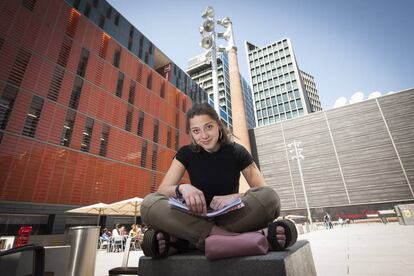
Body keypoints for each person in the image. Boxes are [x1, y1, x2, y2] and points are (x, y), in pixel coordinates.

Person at [140, 103, 297, 258]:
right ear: (192, 134)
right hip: (194, 217)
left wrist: (236, 196)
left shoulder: (237, 151)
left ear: (218, 126)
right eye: (196, 131)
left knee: (270, 198)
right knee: (148, 204)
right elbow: (162, 190)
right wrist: (181, 188)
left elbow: (263, 191)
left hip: (231, 218)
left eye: (208, 127)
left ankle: (187, 242)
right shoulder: (185, 153)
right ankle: (237, 238)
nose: (204, 135)